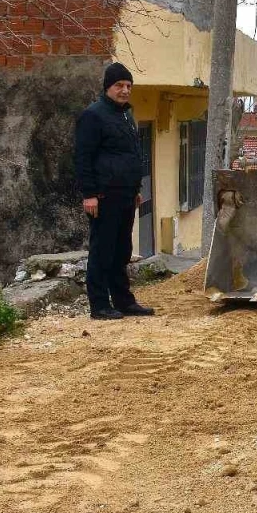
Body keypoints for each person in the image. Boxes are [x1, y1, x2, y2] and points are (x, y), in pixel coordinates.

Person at [74, 62, 155, 320]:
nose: (125, 90)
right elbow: (83, 158)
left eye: (128, 86)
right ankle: (99, 305)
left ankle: (123, 301)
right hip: (103, 196)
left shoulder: (125, 116)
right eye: (119, 85)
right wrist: (89, 194)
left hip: (125, 195)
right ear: (108, 87)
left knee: (122, 251)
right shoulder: (93, 115)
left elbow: (130, 156)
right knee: (102, 251)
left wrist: (135, 190)